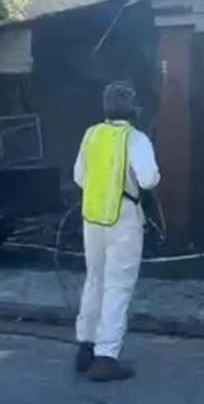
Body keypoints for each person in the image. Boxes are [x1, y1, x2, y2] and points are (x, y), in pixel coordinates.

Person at [73, 81, 161, 382]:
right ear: (132, 109)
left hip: (92, 218)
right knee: (118, 287)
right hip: (123, 218)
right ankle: (106, 357)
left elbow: (79, 176)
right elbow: (148, 180)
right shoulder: (135, 139)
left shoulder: (91, 134)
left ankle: (85, 346)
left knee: (94, 280)